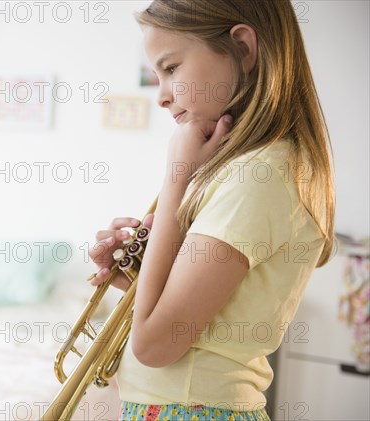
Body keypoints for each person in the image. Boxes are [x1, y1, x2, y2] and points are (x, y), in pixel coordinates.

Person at [88, 1, 336, 420]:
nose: (162, 96)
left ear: (242, 47)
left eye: (171, 69)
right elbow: (200, 314)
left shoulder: (259, 175)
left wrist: (175, 180)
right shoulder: (248, 168)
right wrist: (134, 276)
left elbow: (153, 344)